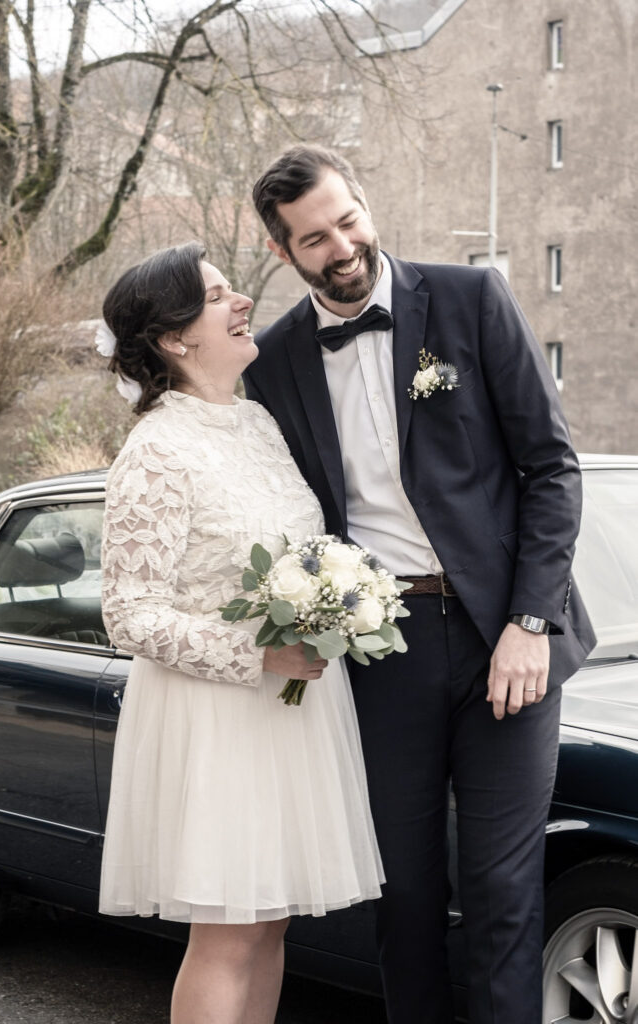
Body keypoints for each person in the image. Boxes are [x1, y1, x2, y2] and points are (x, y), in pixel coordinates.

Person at [245, 145, 596, 1024]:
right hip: (378, 652)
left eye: (348, 220)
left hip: (502, 640)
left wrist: (530, 619)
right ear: (286, 253)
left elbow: (551, 468)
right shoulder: (276, 359)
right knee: (398, 894)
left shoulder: (471, 300)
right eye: (316, 239)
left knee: (500, 890)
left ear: (364, 204)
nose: (343, 247)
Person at [97, 242, 384, 1024]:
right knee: (226, 934)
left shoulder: (256, 422)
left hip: (288, 713)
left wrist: (332, 605)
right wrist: (259, 653)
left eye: (231, 288)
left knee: (270, 921)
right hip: (217, 718)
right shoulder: (155, 450)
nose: (241, 301)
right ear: (173, 338)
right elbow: (128, 612)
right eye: (217, 295)